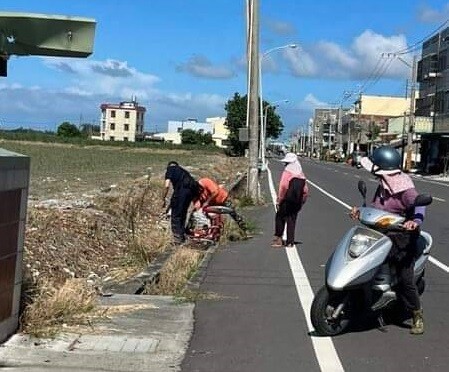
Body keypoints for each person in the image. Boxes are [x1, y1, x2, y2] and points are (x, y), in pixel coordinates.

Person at [351, 146, 425, 335]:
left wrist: (414, 221)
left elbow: (419, 206)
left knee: (405, 279)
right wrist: (360, 210)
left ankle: (417, 315)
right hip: (381, 233)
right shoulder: (384, 185)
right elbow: (376, 208)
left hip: (402, 238)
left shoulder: (404, 189)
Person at [271, 152, 309, 248]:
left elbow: (283, 187)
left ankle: (279, 239)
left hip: (286, 200)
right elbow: (305, 191)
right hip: (296, 202)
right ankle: (290, 242)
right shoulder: (301, 174)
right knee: (292, 220)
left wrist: (279, 200)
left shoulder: (287, 172)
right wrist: (301, 202)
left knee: (280, 217)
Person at [163, 161, 200, 244]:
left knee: (176, 215)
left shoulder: (170, 169)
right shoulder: (183, 171)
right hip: (191, 192)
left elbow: (167, 185)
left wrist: (163, 197)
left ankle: (177, 240)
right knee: (183, 213)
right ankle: (182, 236)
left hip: (182, 191)